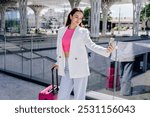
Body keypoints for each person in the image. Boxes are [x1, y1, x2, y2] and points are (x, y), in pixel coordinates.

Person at [53, 8, 114, 100]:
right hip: (65, 67)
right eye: (76, 17)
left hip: (79, 67)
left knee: (79, 97)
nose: (78, 20)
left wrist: (106, 51)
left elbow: (91, 45)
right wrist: (58, 62)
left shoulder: (83, 31)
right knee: (61, 97)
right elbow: (59, 49)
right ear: (70, 16)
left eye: (81, 18)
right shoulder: (61, 30)